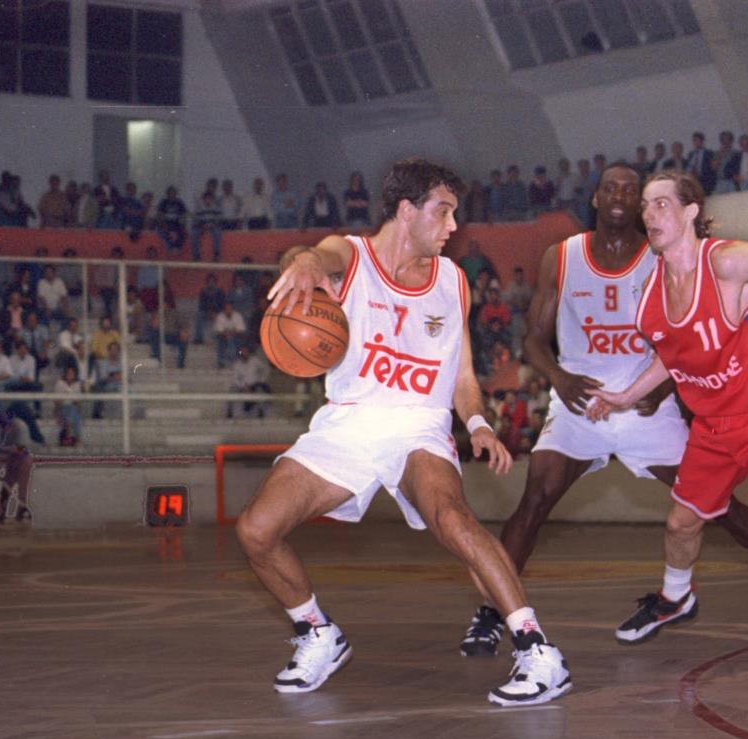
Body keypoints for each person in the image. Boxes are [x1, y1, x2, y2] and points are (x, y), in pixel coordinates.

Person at [238, 158, 570, 706]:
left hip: (418, 422)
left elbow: (460, 373)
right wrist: (301, 263)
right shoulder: (352, 257)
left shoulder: (451, 280)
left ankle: (538, 652)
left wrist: (480, 423)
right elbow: (318, 254)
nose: (453, 226)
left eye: (455, 214)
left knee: (453, 520)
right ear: (405, 210)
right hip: (348, 421)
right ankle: (317, 632)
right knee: (256, 530)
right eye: (443, 212)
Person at [458, 164, 748, 657]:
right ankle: (491, 614)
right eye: (611, 187)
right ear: (595, 197)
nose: (620, 196)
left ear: (641, 205)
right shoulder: (560, 257)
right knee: (536, 498)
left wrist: (666, 383)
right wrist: (560, 378)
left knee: (717, 507)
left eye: (632, 191)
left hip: (646, 399)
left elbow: (690, 332)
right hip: (579, 398)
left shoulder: (663, 256)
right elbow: (534, 340)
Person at [588, 170, 748, 669]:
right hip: (713, 427)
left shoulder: (727, 262)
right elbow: (674, 356)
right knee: (681, 525)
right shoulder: (650, 301)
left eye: (662, 204)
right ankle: (675, 597)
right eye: (646, 205)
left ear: (690, 213)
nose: (650, 213)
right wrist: (623, 396)